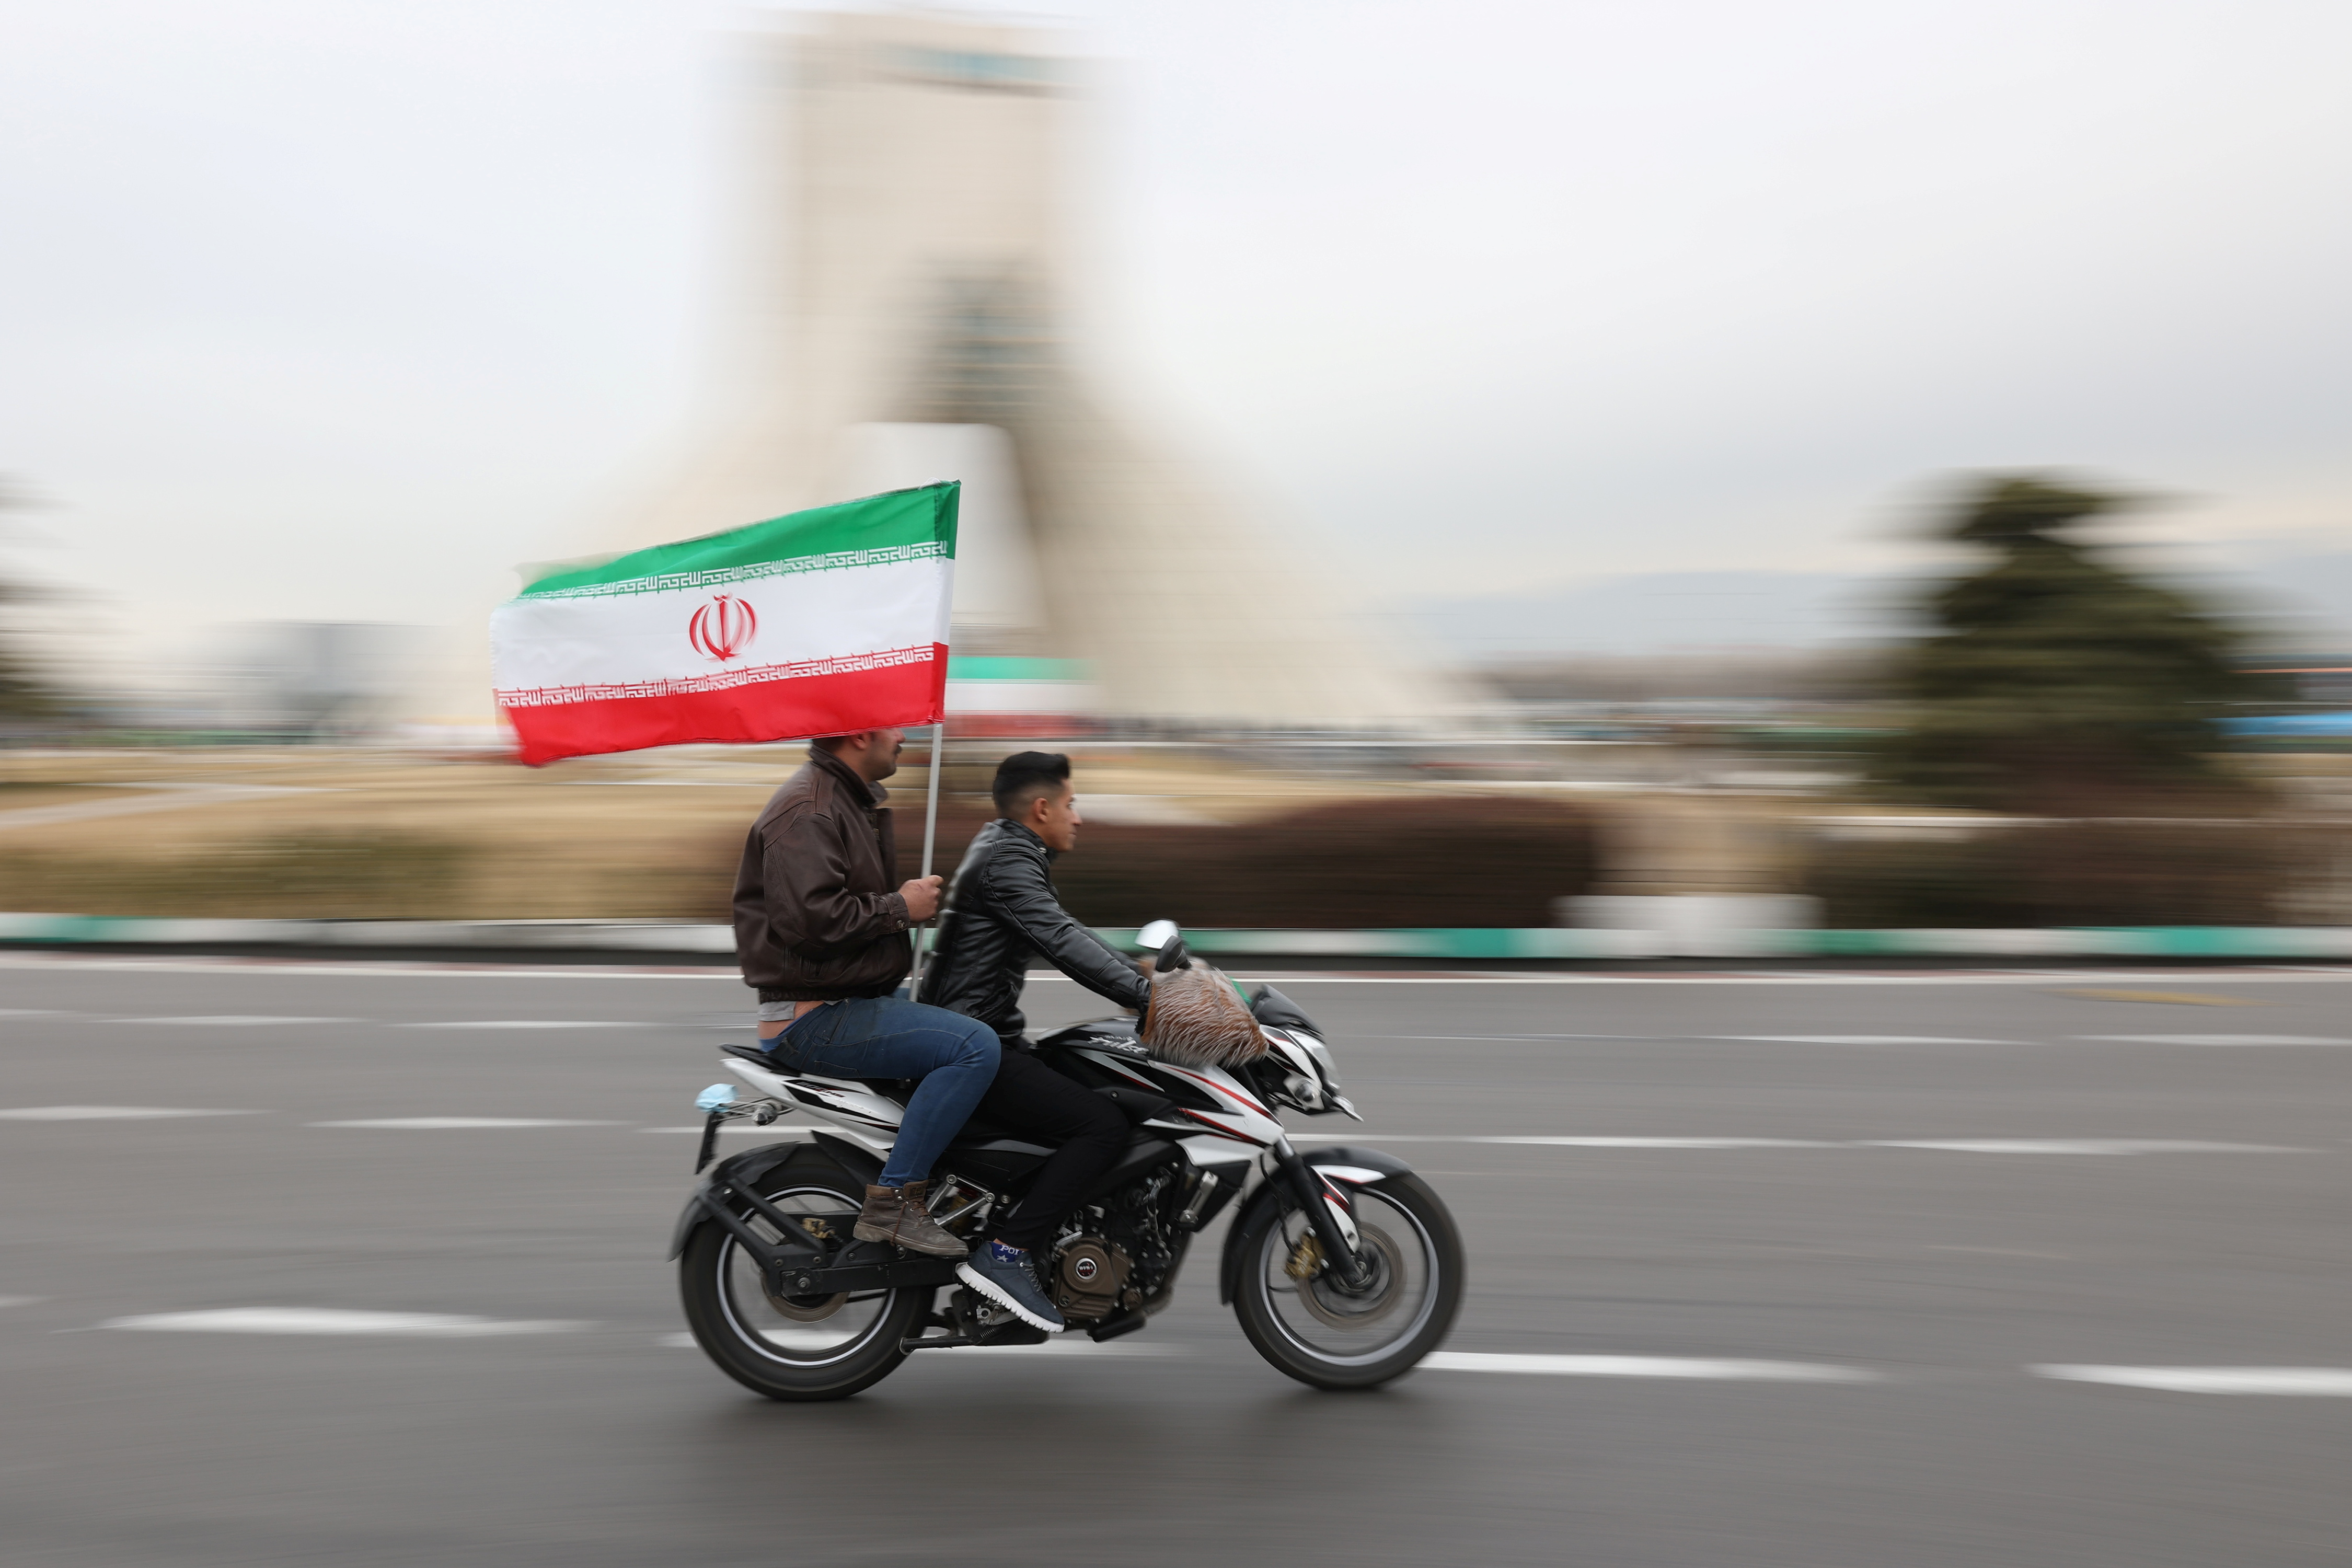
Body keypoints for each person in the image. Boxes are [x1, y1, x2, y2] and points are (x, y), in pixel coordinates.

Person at [732, 727, 998, 1260]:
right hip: (817, 1017)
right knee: (975, 1047)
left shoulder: (846, 801)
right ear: (859, 733)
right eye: (895, 725)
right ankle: (896, 1203)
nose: (904, 736)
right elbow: (810, 923)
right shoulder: (808, 810)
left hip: (847, 1001)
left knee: (981, 1031)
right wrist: (901, 908)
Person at [917, 751, 1149, 1332]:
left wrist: (1140, 982)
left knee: (1093, 1077)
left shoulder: (1005, 850)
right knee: (1102, 1125)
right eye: (1071, 805)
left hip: (979, 1035)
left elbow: (1065, 931)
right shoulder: (1007, 862)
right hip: (971, 1045)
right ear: (1042, 808)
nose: (1079, 817)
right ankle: (1006, 1252)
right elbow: (1061, 938)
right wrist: (1149, 996)